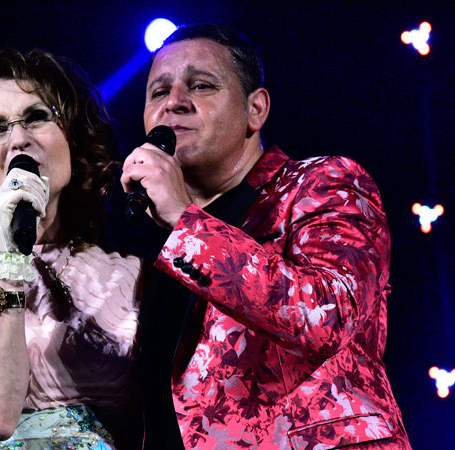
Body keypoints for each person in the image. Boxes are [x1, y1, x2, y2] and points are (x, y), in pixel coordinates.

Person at [119, 24, 412, 449]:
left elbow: (325, 317)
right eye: (158, 92)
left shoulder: (324, 183)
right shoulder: (160, 245)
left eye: (201, 86)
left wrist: (184, 220)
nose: (174, 102)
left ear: (255, 109)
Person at [0, 48, 143, 450]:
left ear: (72, 134)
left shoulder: (132, 270)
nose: (19, 139)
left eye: (37, 117)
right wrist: (10, 259)